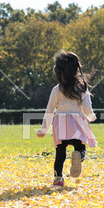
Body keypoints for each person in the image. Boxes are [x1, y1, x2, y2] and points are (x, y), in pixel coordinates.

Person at [37, 50, 97, 187]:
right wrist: (91, 117)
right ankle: (78, 156)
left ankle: (58, 178)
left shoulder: (57, 89)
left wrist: (44, 129)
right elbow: (87, 107)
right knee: (80, 146)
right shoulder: (82, 87)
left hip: (61, 122)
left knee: (60, 152)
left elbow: (50, 110)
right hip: (77, 121)